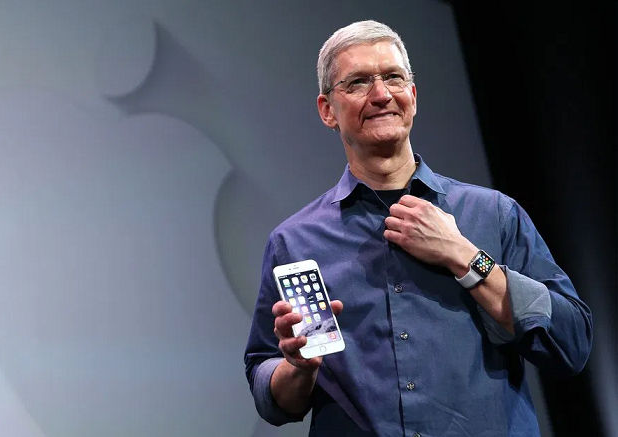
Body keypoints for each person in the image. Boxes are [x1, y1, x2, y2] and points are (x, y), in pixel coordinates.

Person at [243, 20, 593, 437]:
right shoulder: (295, 241)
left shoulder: (495, 214)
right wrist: (298, 368)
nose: (381, 95)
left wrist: (465, 256)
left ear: (412, 94)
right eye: (358, 82)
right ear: (327, 110)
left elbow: (570, 344)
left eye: (393, 77)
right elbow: (271, 396)